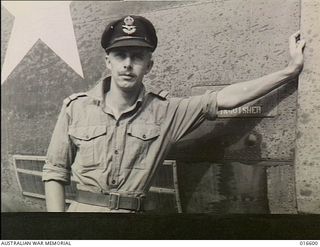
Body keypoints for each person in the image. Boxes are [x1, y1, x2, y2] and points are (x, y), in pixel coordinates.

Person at [42, 15, 305, 212]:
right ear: (107, 61)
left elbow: (225, 98)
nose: (127, 64)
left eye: (137, 56)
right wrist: (60, 231)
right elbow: (54, 172)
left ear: (149, 65)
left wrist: (289, 71)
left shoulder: (165, 112)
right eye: (120, 55)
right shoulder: (76, 107)